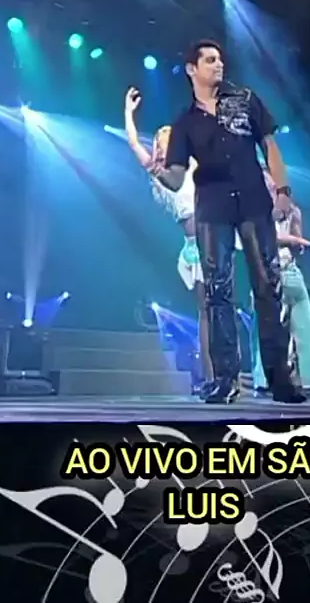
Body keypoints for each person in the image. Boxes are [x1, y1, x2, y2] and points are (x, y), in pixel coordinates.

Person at [149, 39, 305, 405]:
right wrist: (159, 172)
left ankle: (280, 378)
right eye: (209, 60)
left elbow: (270, 146)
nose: (218, 65)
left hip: (253, 202)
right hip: (212, 208)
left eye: (219, 59)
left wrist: (283, 190)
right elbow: (176, 177)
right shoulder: (185, 122)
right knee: (218, 292)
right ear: (192, 69)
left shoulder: (245, 100)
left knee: (268, 286)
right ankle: (224, 379)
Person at [124, 87, 213, 393]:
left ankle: (216, 375)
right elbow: (134, 143)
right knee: (208, 314)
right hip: (196, 248)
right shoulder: (162, 174)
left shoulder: (193, 166)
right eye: (165, 140)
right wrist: (128, 114)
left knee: (213, 312)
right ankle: (211, 377)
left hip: (210, 241)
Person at [250, 171, 310, 395]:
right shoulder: (261, 213)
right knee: (278, 328)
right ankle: (279, 380)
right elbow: (281, 239)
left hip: (281, 272)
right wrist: (305, 243)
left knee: (301, 327)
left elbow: (293, 245)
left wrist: (300, 243)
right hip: (273, 273)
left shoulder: (286, 212)